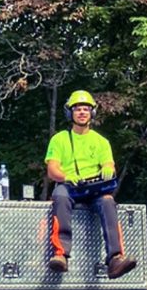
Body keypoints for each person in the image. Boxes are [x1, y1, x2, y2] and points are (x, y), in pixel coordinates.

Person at [45, 90, 136, 279]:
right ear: (70, 113)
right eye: (77, 109)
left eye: (86, 109)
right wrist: (67, 176)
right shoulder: (59, 139)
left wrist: (109, 169)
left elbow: (109, 164)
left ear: (92, 113)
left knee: (108, 201)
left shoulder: (101, 141)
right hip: (69, 187)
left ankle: (115, 258)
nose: (82, 113)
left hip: (93, 188)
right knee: (60, 196)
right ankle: (61, 255)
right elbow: (52, 170)